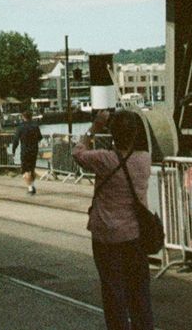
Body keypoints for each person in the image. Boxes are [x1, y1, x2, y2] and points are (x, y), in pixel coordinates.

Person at [75, 110, 155, 330]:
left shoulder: (104, 159)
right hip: (134, 236)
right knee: (139, 293)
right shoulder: (144, 159)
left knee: (113, 294)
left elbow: (78, 152)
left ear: (113, 134)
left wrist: (95, 127)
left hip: (106, 237)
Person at [13, 113, 43, 195]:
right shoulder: (35, 126)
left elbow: (15, 140)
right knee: (32, 169)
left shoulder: (20, 127)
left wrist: (13, 150)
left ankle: (30, 188)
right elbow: (40, 137)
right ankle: (32, 185)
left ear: (23, 117)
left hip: (25, 151)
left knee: (25, 170)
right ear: (31, 117)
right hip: (34, 150)